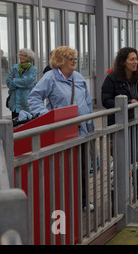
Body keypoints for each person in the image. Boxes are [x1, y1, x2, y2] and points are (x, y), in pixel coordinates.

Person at [28, 46, 95, 211]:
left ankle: (84, 201)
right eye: (70, 59)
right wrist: (49, 118)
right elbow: (34, 98)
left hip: (81, 129)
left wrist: (90, 123)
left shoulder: (78, 77)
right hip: (61, 132)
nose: (74, 62)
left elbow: (87, 102)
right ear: (60, 61)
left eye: (75, 58)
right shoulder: (49, 77)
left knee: (83, 168)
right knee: (63, 168)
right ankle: (63, 203)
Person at [101, 47, 138, 126]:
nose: (135, 62)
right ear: (123, 62)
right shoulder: (112, 78)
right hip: (120, 124)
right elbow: (106, 100)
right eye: (131, 59)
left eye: (136, 59)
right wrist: (128, 102)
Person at [6, 48, 37, 119]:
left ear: (28, 57)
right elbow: (8, 82)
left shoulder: (33, 69)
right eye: (20, 55)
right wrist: (21, 82)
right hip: (15, 104)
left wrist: (15, 80)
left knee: (27, 126)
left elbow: (28, 83)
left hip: (27, 104)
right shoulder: (14, 68)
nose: (20, 57)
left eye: (23, 55)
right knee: (15, 126)